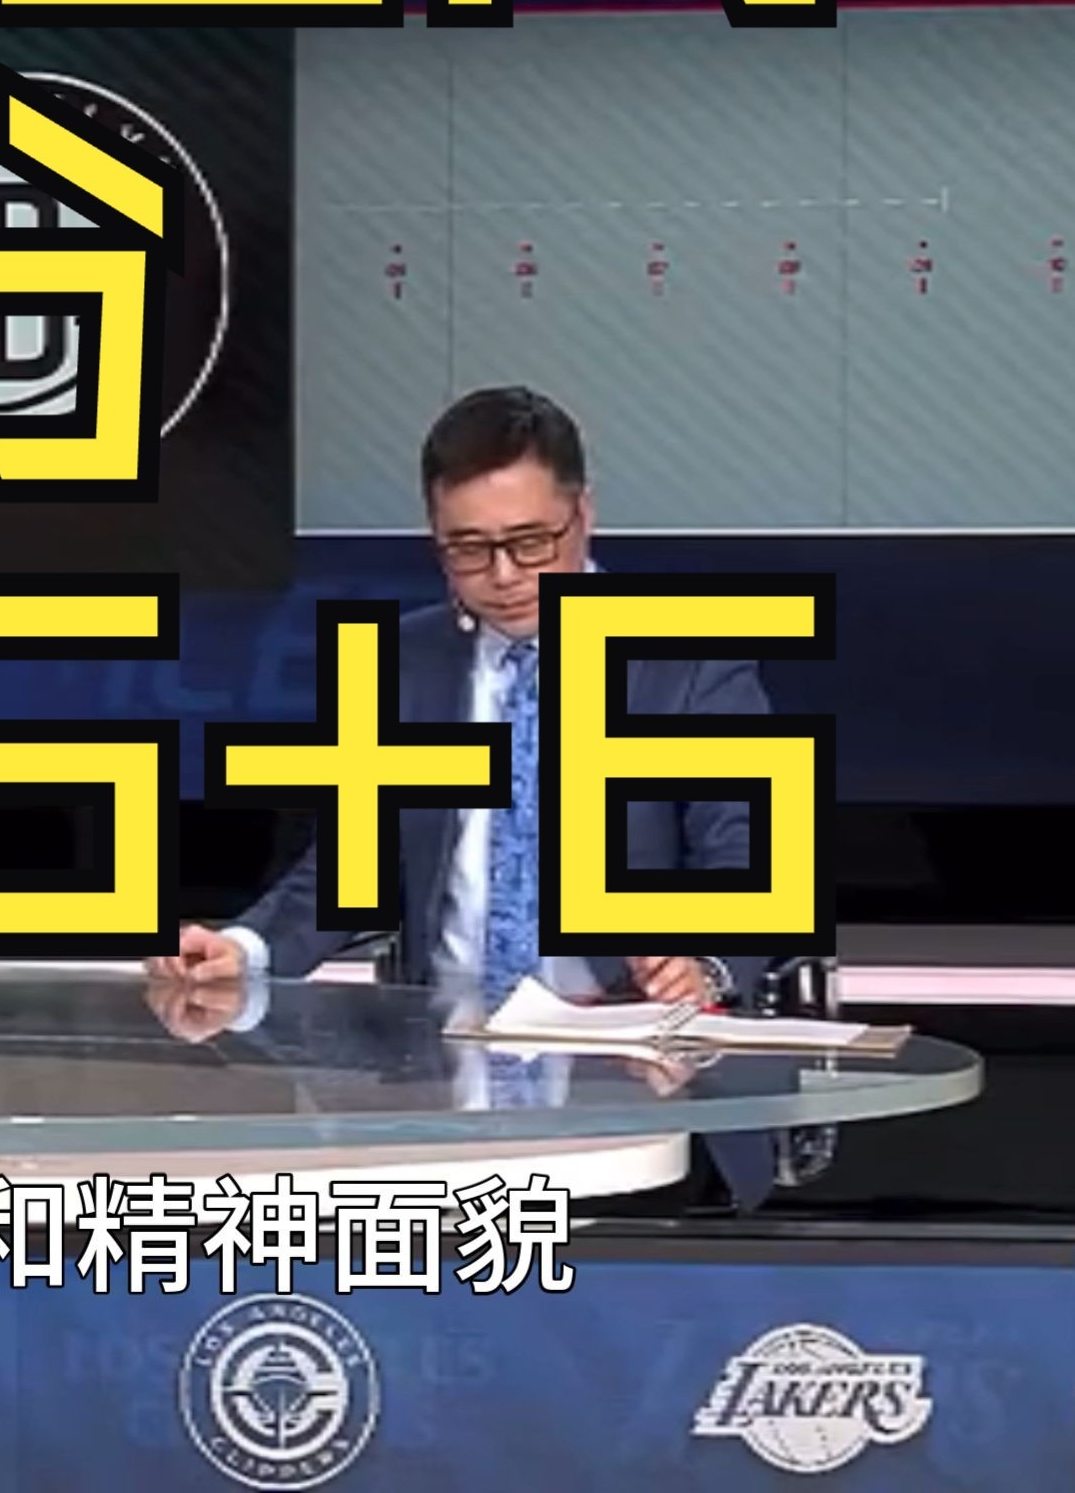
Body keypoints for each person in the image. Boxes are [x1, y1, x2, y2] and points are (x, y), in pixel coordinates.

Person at [144, 386, 785, 1204]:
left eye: (530, 542)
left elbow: (753, 861)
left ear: (584, 514)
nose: (504, 575)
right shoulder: (400, 664)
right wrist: (247, 950)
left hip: (641, 1086)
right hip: (435, 1096)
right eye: (469, 549)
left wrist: (703, 965)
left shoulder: (691, 663)